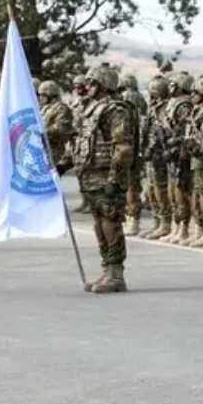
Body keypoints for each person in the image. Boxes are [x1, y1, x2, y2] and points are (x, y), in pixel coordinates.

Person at [74, 66, 134, 293]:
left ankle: (116, 274)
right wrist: (65, 163)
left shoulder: (115, 111)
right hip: (90, 176)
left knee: (110, 223)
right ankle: (106, 268)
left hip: (106, 175)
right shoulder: (91, 110)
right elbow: (82, 141)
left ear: (103, 85)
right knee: (99, 224)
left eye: (92, 83)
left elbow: (123, 148)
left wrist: (114, 179)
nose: (87, 87)